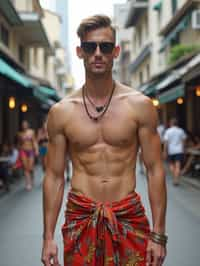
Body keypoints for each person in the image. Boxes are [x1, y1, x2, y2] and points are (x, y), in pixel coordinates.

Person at [41, 15, 167, 266]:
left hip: (127, 217)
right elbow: (54, 176)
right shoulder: (61, 112)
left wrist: (159, 235)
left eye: (105, 47)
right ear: (79, 52)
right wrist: (47, 237)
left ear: (116, 51)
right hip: (81, 218)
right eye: (90, 47)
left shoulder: (140, 106)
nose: (98, 53)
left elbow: (154, 170)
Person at [163, 118, 187, 185]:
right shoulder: (181, 131)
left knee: (171, 165)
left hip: (171, 151)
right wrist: (184, 150)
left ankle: (175, 178)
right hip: (179, 150)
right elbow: (183, 142)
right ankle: (176, 179)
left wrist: (165, 151)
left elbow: (166, 142)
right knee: (178, 166)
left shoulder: (168, 131)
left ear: (171, 123)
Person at [18, 120, 38, 191]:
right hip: (23, 151)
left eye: (25, 124)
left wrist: (36, 150)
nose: (24, 126)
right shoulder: (20, 134)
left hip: (31, 150)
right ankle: (28, 183)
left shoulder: (31, 132)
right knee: (25, 168)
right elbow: (19, 144)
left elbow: (34, 141)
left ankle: (32, 178)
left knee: (30, 167)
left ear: (27, 125)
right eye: (23, 125)